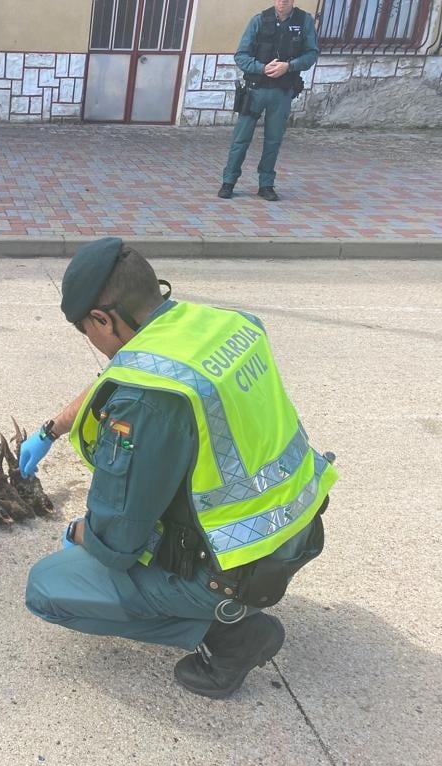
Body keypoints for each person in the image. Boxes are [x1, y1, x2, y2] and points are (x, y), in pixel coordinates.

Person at [22, 237, 336, 699]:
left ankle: (231, 636)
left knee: (48, 587)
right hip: (297, 526)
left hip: (236, 572)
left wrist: (78, 532)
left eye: (84, 329)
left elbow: (117, 539)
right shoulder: (220, 326)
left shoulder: (147, 402)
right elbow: (113, 380)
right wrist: (50, 430)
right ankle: (227, 611)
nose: (89, 340)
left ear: (103, 319)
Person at [218, 0, 319, 202]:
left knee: (273, 141)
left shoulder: (304, 21)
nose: (282, 2)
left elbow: (311, 54)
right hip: (255, 91)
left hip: (282, 92)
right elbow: (240, 56)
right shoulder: (258, 20)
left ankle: (266, 185)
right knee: (240, 139)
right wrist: (261, 68)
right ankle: (228, 182)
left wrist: (289, 66)